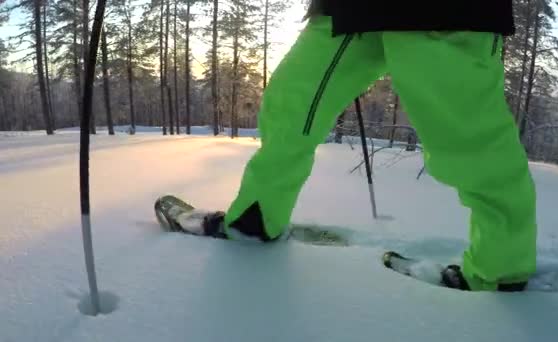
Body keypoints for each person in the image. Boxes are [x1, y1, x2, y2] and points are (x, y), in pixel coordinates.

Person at [202, 0, 537, 292]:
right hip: (347, 10)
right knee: (289, 109)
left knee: (467, 139)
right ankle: (255, 219)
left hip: (446, 11)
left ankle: (501, 268)